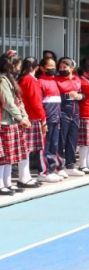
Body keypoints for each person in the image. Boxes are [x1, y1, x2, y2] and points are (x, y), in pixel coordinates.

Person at [0, 55, 31, 196]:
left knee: (9, 156)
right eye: (17, 65)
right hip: (4, 121)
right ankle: (1, 184)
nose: (19, 68)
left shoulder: (10, 80)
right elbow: (7, 102)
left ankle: (7, 183)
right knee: (3, 156)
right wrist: (20, 118)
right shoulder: (2, 80)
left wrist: (24, 116)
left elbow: (18, 101)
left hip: (11, 121)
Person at [17, 58, 45, 185]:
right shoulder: (30, 80)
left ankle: (25, 176)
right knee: (26, 148)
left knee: (25, 148)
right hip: (31, 117)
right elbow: (36, 101)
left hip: (25, 116)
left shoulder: (22, 79)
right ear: (37, 67)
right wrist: (43, 117)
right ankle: (24, 177)